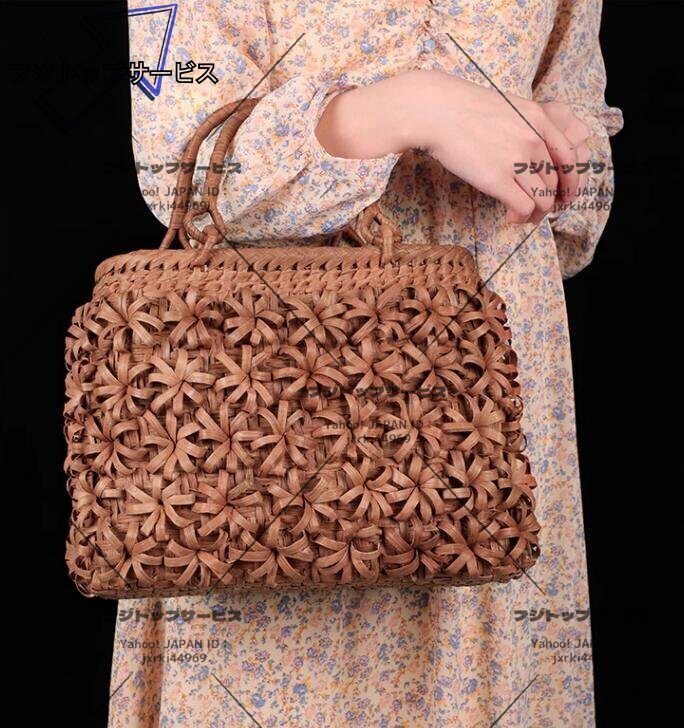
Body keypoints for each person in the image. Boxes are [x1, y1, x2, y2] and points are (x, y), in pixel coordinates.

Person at [113, 1, 622, 725]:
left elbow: (582, 201)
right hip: (275, 408)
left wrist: (564, 153)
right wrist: (417, 106)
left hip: (493, 401)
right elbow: (176, 166)